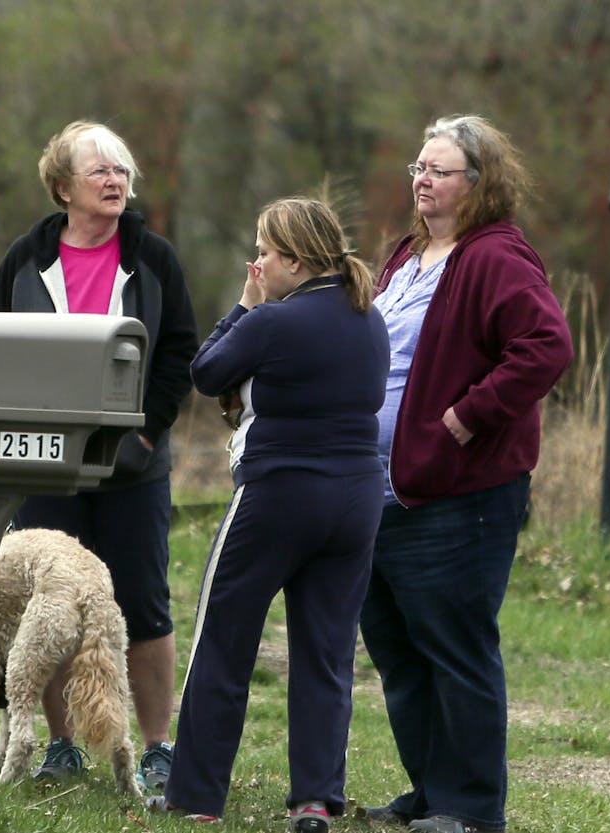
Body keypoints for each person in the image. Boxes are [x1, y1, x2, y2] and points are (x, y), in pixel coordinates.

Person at [355, 115, 573, 833]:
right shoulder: (409, 253)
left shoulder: (494, 257)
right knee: (400, 651)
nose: (422, 179)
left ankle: (472, 809)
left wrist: (467, 416)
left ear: (479, 183)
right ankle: (432, 791)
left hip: (459, 493)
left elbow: (545, 346)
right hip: (382, 491)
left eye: (438, 169)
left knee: (454, 647)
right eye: (417, 167)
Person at [155, 198, 389, 832]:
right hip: (358, 496)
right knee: (327, 653)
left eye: (263, 252)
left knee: (223, 639)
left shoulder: (275, 320)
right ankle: (315, 800)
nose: (255, 262)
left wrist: (245, 306)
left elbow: (205, 372)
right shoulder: (369, 316)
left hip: (280, 493)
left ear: (293, 259)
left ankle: (196, 796)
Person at [0, 120, 198, 791]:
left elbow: (179, 352)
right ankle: (59, 744)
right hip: (45, 460)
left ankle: (159, 745)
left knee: (142, 598)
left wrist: (144, 434)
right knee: (49, 603)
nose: (115, 181)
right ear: (62, 186)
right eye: (99, 170)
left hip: (133, 461)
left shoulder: (153, 256)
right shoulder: (25, 257)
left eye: (121, 170)